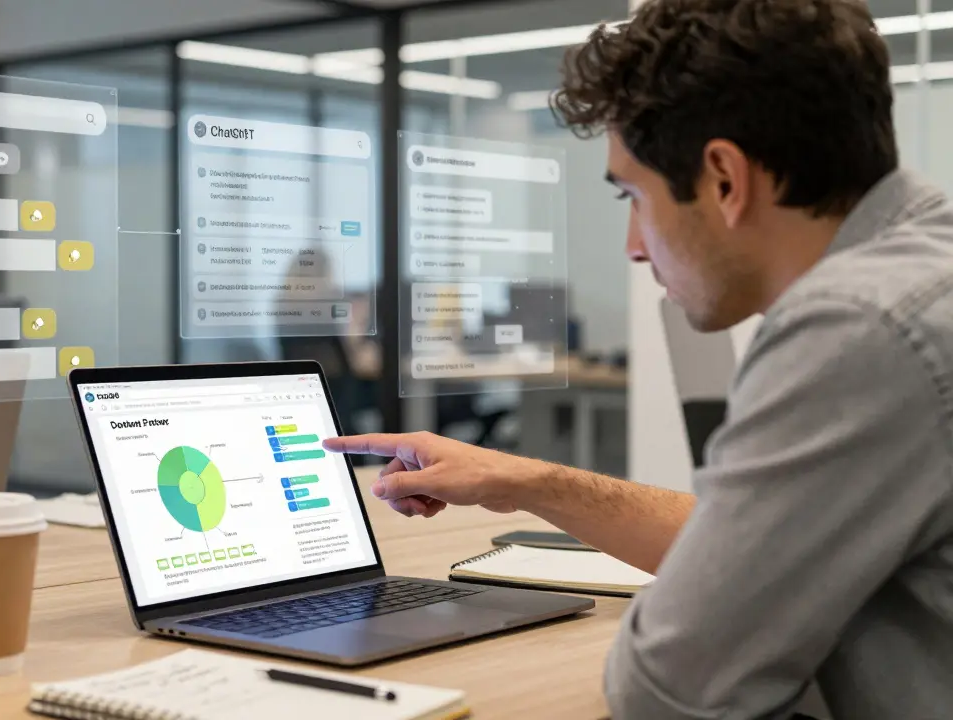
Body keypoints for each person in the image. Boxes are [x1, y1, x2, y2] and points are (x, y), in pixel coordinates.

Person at [324, 1, 953, 718]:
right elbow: (750, 543)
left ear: (724, 179)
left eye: (633, 194)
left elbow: (670, 690)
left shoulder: (857, 328)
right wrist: (521, 479)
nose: (633, 243)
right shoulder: (926, 263)